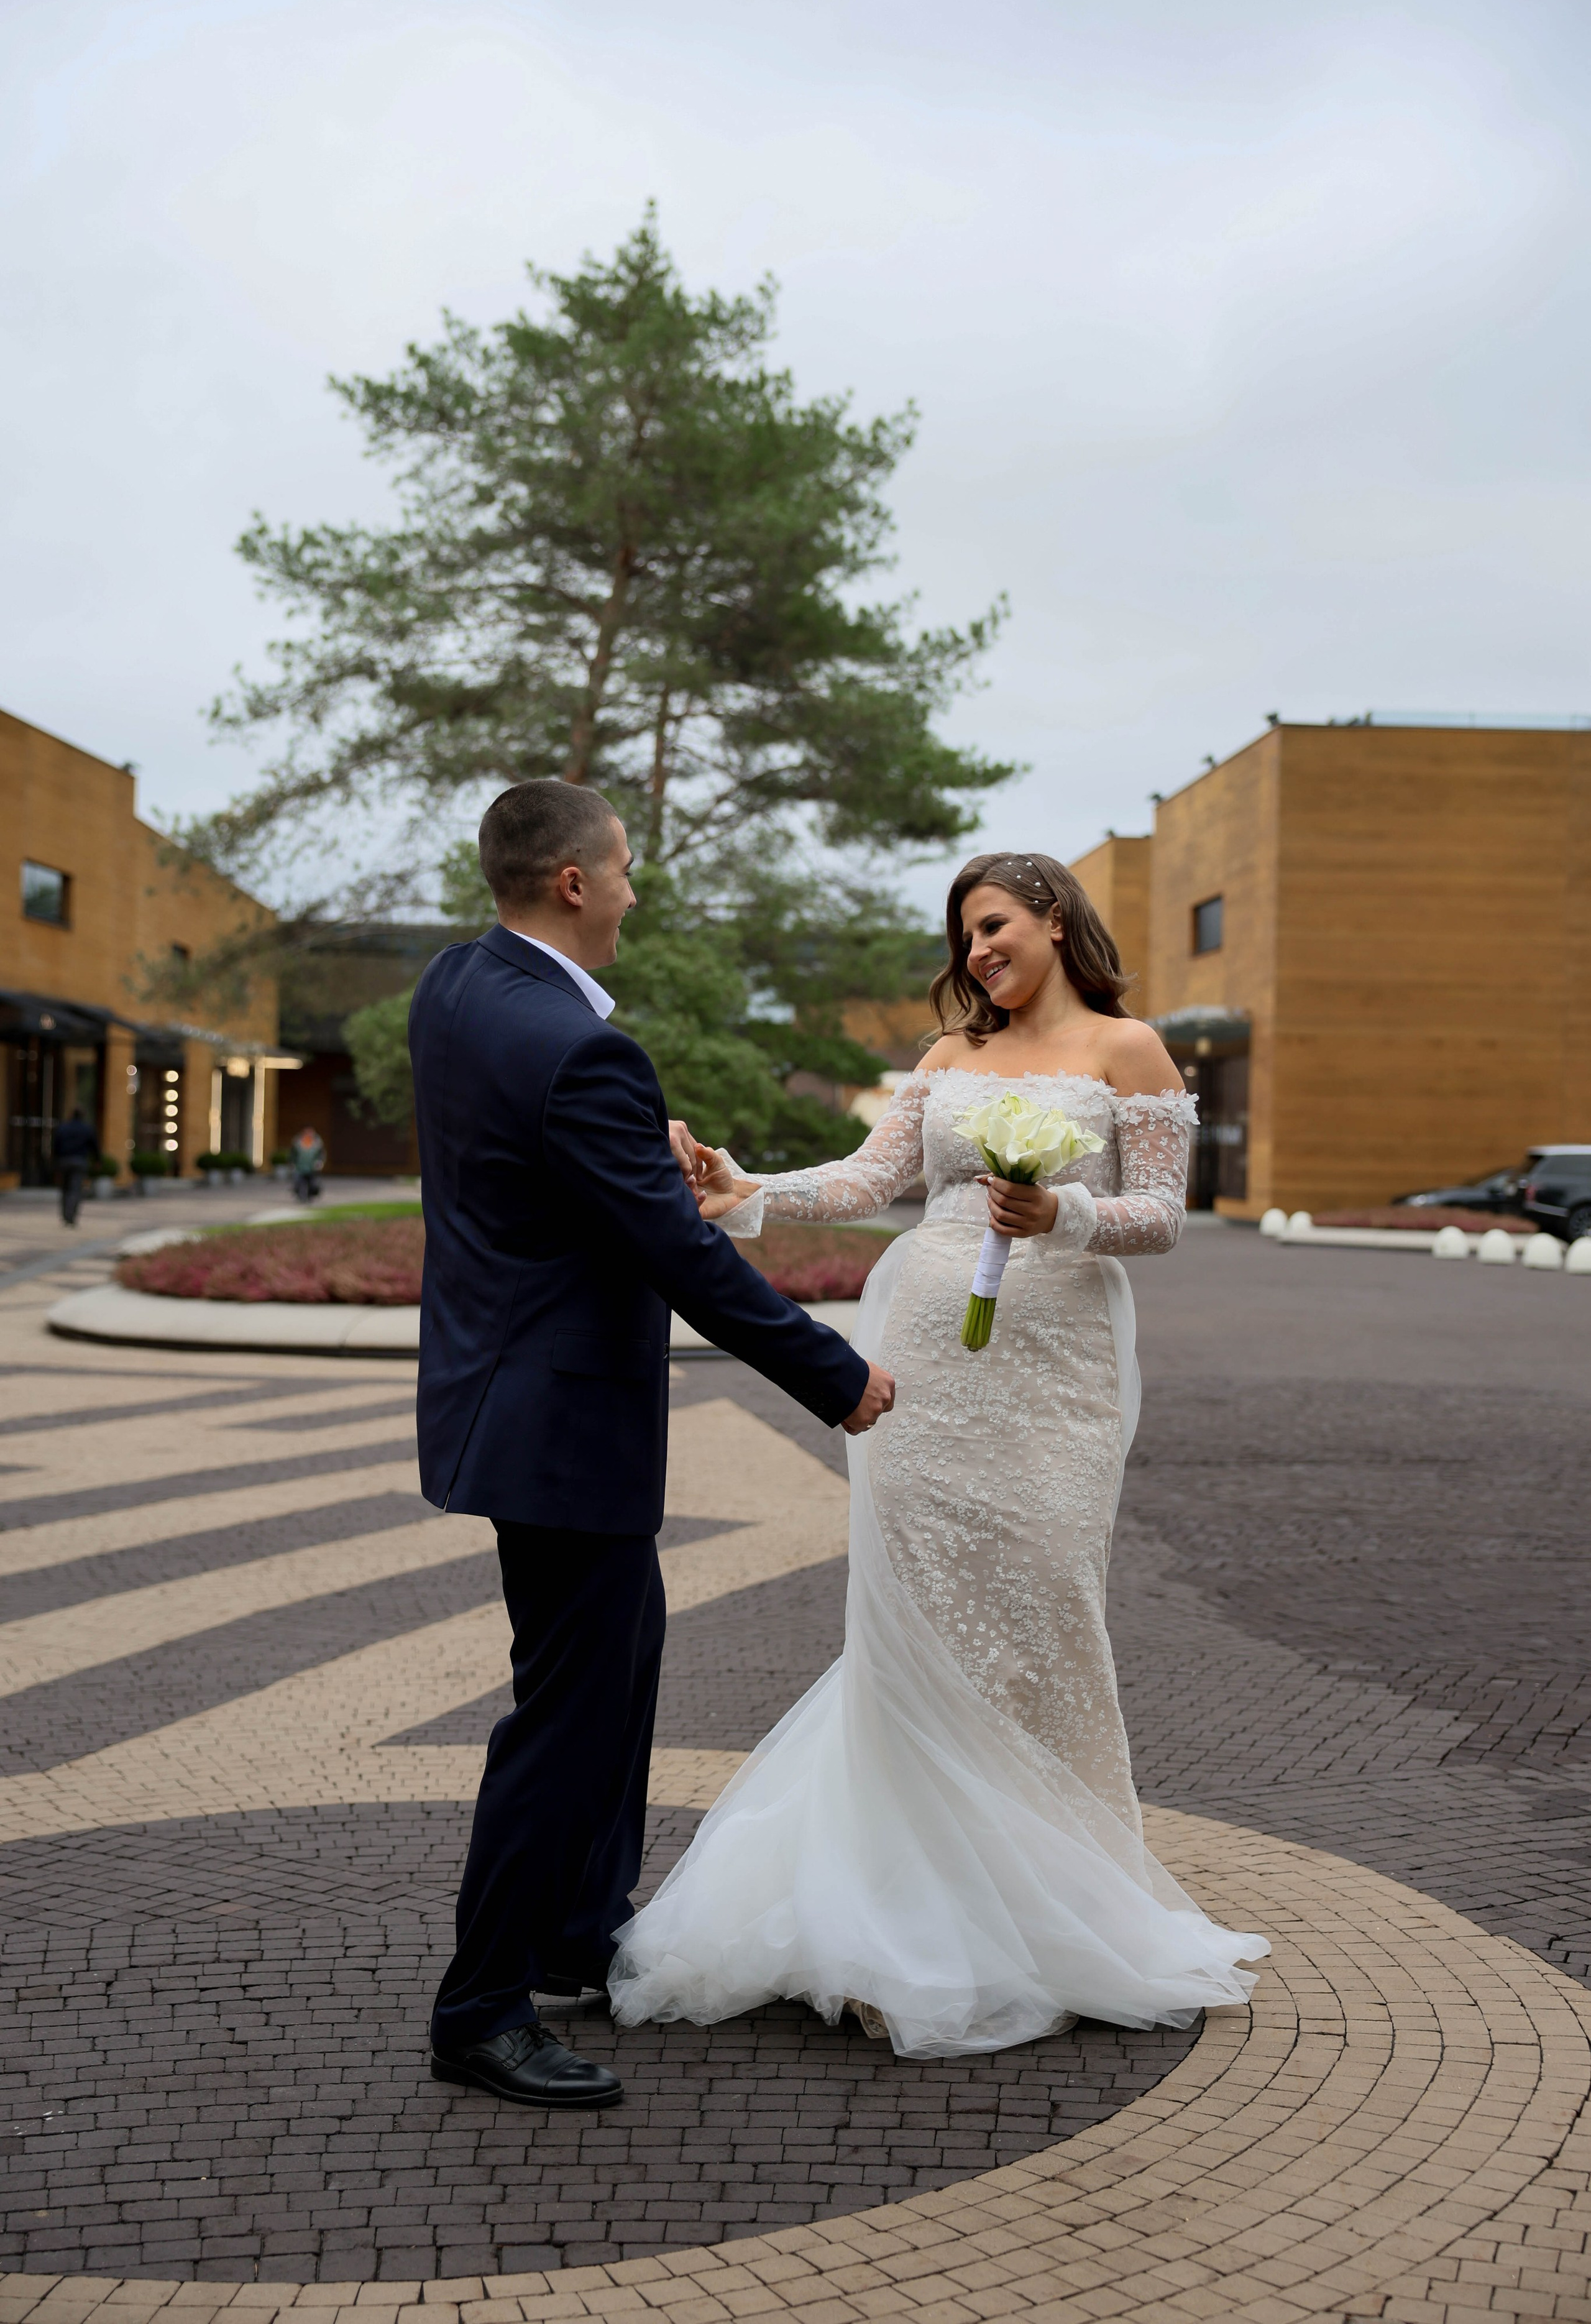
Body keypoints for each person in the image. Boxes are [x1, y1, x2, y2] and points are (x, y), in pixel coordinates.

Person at [609, 850, 1268, 2056]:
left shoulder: (1128, 1051)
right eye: (964, 936)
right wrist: (745, 1189)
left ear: (1054, 921)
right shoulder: (946, 1060)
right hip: (924, 1353)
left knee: (1044, 1611)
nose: (976, 953)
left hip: (1055, 1372)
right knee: (916, 1619)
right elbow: (874, 1179)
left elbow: (1163, 1215)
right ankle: (902, 1916)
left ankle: (1055, 1906)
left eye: (994, 926)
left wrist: (1059, 1212)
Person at [409, 779, 894, 2113]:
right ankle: (480, 2008)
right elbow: (674, 1253)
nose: (634, 888)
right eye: (622, 869)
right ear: (570, 883)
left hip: (504, 1402)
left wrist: (626, 1155)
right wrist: (834, 1374)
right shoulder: (579, 1052)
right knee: (564, 1719)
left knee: (618, 1670)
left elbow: (533, 1172)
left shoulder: (457, 989)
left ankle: (577, 1930)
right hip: (560, 1426)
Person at [53, 1109, 98, 1226]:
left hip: (64, 1161)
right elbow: (94, 1146)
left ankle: (65, 1215)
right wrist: (98, 1160)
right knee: (75, 1190)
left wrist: (55, 1161)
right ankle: (71, 1216)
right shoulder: (87, 1129)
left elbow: (56, 1146)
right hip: (79, 1162)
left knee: (65, 1189)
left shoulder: (63, 1128)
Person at [289, 1126, 324, 1203]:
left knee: (312, 1184)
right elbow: (293, 1154)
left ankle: (310, 1196)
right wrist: (292, 1163)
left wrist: (320, 1162)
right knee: (299, 1182)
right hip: (300, 1167)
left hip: (312, 1168)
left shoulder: (317, 1143)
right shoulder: (298, 1142)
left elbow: (321, 1154)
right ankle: (301, 1196)